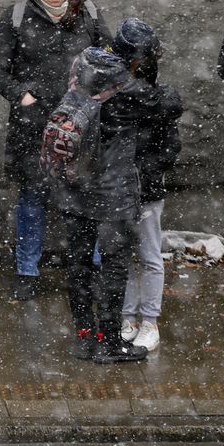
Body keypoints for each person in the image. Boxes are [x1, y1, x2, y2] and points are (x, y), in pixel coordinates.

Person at [0, 0, 109, 301]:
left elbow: (111, 61)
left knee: (86, 198)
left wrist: (95, 99)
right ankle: (27, 270)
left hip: (82, 126)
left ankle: (91, 267)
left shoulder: (90, 15)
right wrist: (21, 95)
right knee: (32, 198)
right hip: (33, 127)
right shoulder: (17, 17)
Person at [47, 45, 154, 364]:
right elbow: (164, 103)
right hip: (110, 198)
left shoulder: (78, 80)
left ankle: (84, 336)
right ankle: (108, 340)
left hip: (73, 193)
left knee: (78, 266)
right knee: (113, 267)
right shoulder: (126, 89)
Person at [112, 20, 181, 353]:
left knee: (149, 256)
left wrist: (146, 171)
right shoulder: (119, 95)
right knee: (123, 256)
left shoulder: (157, 99)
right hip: (122, 187)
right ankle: (128, 317)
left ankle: (149, 321)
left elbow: (170, 146)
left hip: (146, 189)